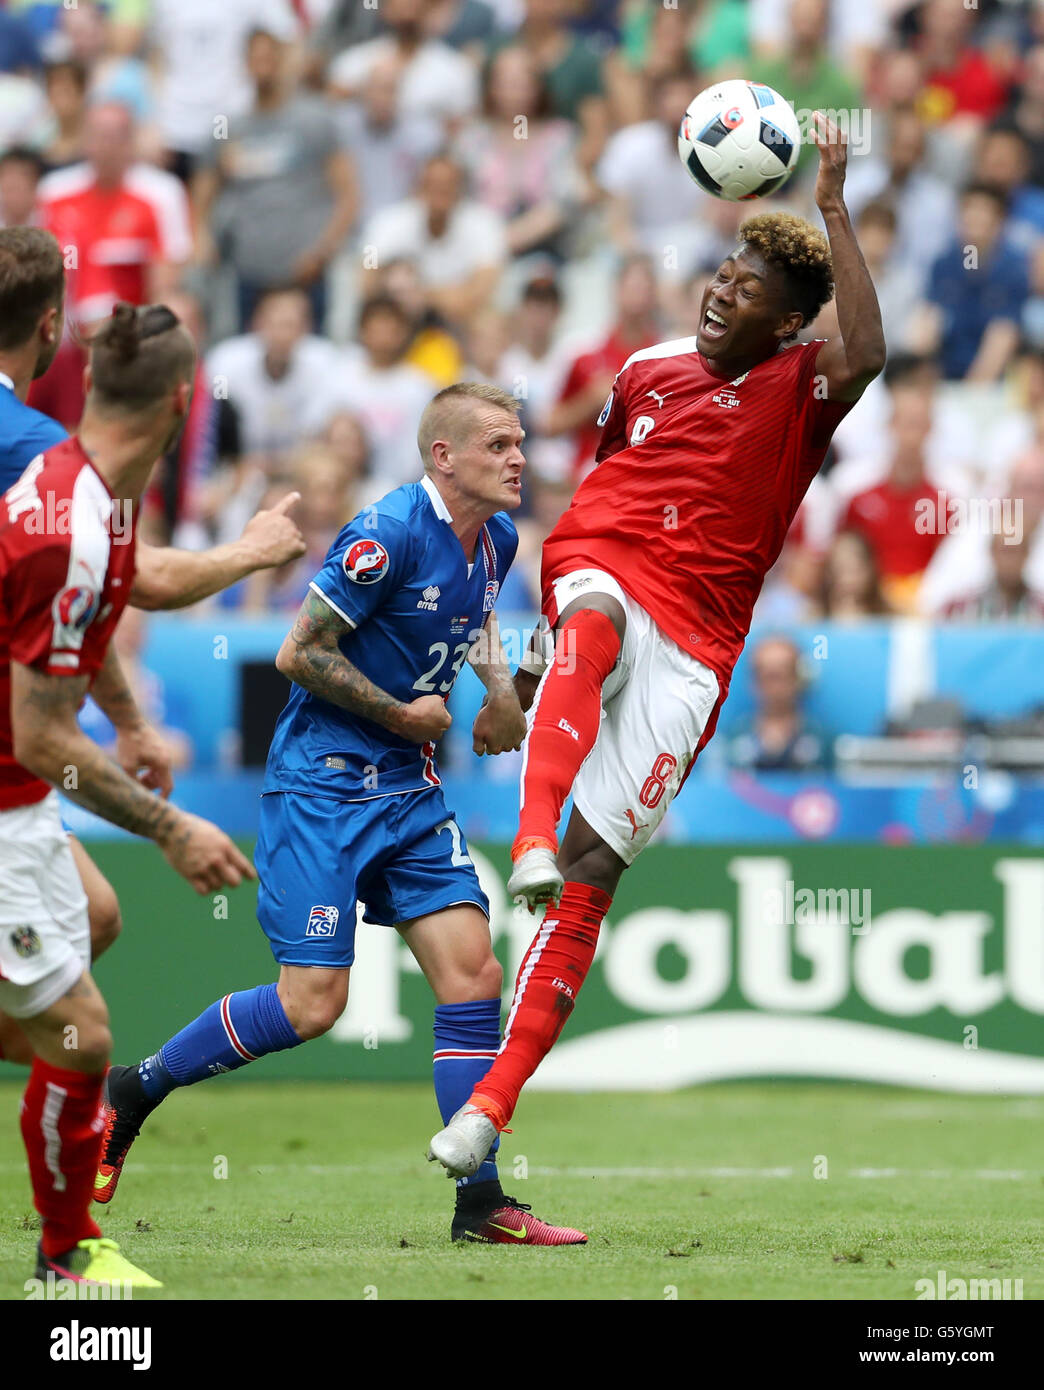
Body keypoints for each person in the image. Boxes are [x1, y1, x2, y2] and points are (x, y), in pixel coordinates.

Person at [428, 112, 885, 1178]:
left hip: (698, 645)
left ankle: (489, 1109)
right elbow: (603, 490)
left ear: (786, 327)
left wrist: (831, 202)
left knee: (595, 876)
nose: (724, 289)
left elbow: (868, 349)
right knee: (592, 615)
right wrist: (529, 675)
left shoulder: (802, 387)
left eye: (751, 290)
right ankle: (529, 835)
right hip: (604, 573)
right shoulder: (643, 369)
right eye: (726, 271)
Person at [97, 383, 587, 1247]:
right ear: (444, 456)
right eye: (499, 445)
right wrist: (402, 712)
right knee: (311, 1006)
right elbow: (299, 651)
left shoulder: (498, 538)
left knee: (473, 975)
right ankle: (136, 1087)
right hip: (322, 788)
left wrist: (499, 696)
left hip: (408, 789)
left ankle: (480, 1204)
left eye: (520, 444)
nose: (519, 459)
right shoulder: (386, 533)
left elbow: (472, 621)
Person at [0, 227, 306, 1068]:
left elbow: (65, 603)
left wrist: (128, 722)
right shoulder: (32, 452)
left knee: (93, 920)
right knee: (80, 1030)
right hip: (11, 763)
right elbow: (135, 577)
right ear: (50, 328)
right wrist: (250, 550)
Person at [0, 299, 257, 1288]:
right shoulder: (70, 516)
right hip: (7, 792)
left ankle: (65, 1244)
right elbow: (39, 729)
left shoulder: (84, 491)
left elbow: (86, 618)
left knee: (77, 980)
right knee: (81, 1034)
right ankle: (65, 1256)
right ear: (182, 402)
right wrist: (171, 828)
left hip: (20, 803)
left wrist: (135, 722)